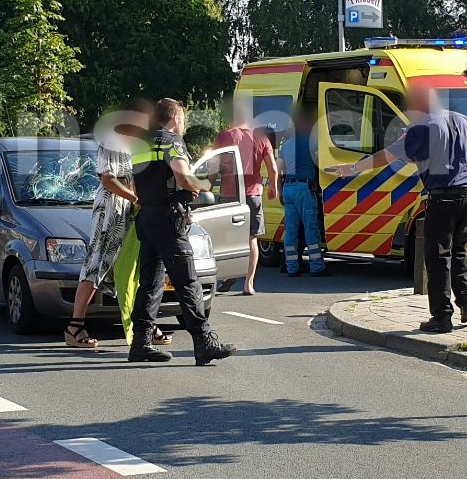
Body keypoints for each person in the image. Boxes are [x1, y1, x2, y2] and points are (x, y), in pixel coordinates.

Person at [328, 84, 467, 333]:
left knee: (437, 258)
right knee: (459, 252)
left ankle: (442, 317)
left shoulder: (422, 128)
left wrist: (351, 169)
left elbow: (388, 156)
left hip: (442, 197)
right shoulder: (466, 122)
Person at [128, 98, 235, 365]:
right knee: (187, 281)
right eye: (184, 119)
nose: (184, 124)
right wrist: (205, 185)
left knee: (150, 283)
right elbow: (183, 176)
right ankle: (204, 341)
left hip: (148, 217)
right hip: (168, 218)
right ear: (175, 117)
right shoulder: (172, 141)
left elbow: (132, 182)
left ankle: (141, 342)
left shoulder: (141, 143)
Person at [64, 98, 171, 350]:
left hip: (130, 208)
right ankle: (74, 326)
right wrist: (135, 197)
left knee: (131, 269)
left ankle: (144, 323)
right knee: (97, 263)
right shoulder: (113, 140)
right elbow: (108, 180)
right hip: (112, 208)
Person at [212, 101, 280, 295]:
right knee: (251, 239)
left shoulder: (224, 136)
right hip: (253, 194)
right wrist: (273, 188)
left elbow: (214, 167)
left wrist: (208, 185)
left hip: (228, 194)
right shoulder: (261, 137)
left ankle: (223, 277)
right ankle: (248, 284)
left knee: (225, 240)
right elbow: (273, 168)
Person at [277, 107, 329, 277]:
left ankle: (292, 267)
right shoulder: (311, 141)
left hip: (288, 188)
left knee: (291, 230)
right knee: (310, 227)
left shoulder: (286, 144)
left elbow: (279, 170)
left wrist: (279, 191)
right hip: (303, 188)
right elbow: (322, 162)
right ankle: (316, 266)